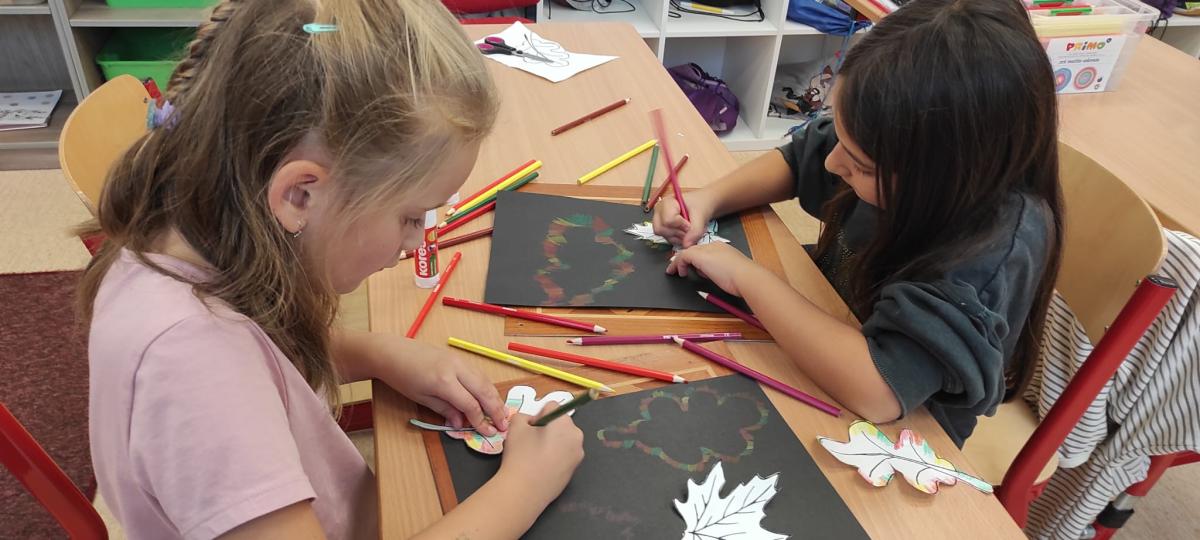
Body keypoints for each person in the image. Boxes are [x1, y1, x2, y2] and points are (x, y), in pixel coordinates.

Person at [80, 1, 582, 537]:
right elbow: (226, 375)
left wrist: (380, 354)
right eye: (411, 217)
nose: (417, 243)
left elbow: (264, 360)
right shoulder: (190, 367)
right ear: (300, 195)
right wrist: (525, 485)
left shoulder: (193, 241)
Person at [655, 0, 1062, 447]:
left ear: (945, 174)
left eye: (860, 164)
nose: (833, 162)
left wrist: (746, 276)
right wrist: (708, 198)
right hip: (827, 324)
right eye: (841, 138)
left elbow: (880, 391)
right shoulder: (899, 146)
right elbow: (801, 158)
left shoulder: (987, 253)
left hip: (900, 430)